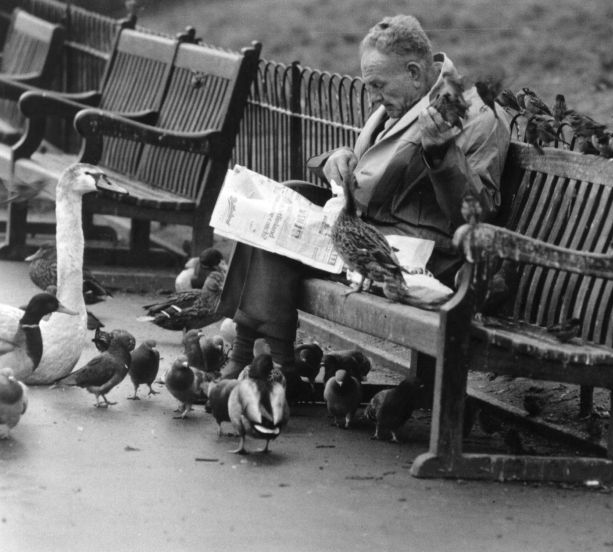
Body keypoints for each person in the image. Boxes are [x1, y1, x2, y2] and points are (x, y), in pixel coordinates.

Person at [216, 14, 511, 378]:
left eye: (377, 85)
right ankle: (263, 355)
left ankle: (265, 360)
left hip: (416, 257)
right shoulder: (406, 98)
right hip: (367, 236)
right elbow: (377, 166)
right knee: (279, 207)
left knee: (278, 240)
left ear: (416, 73)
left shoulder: (479, 117)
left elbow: (476, 217)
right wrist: (337, 159)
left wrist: (441, 156)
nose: (372, 96)